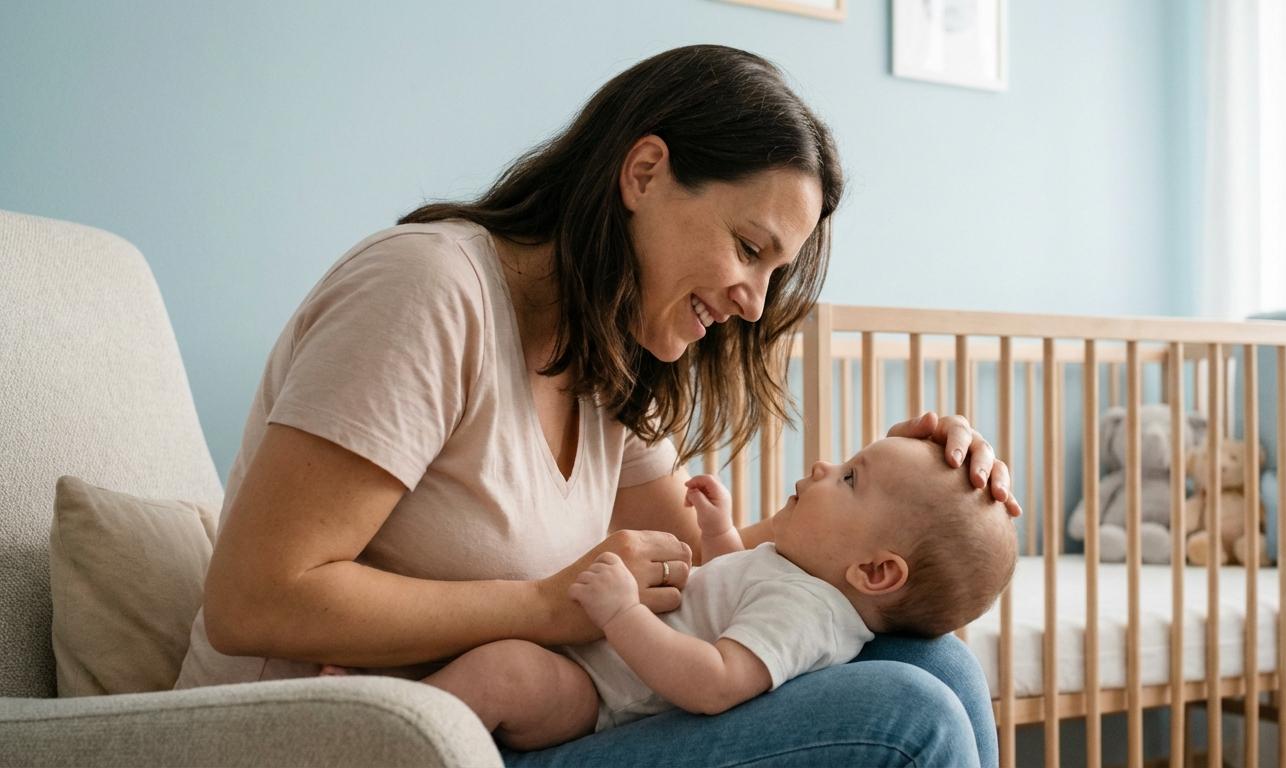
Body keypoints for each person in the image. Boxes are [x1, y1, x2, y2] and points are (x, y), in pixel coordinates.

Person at [174, 43, 1022, 767]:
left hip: (514, 729)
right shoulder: (428, 290)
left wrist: (912, 501)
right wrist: (545, 604)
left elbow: (702, 586)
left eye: (774, 272)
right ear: (645, 172)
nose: (757, 303)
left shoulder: (609, 359)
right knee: (911, 719)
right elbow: (255, 598)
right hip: (347, 740)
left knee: (929, 656)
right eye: (748, 248)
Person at [323, 437, 1018, 751]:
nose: (821, 465)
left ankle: (380, 738)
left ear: (874, 574)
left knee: (504, 670)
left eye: (849, 480)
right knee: (944, 676)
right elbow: (731, 590)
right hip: (597, 661)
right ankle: (386, 706)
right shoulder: (797, 576)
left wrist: (620, 613)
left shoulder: (808, 612)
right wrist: (720, 534)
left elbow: (717, 681)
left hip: (602, 695)